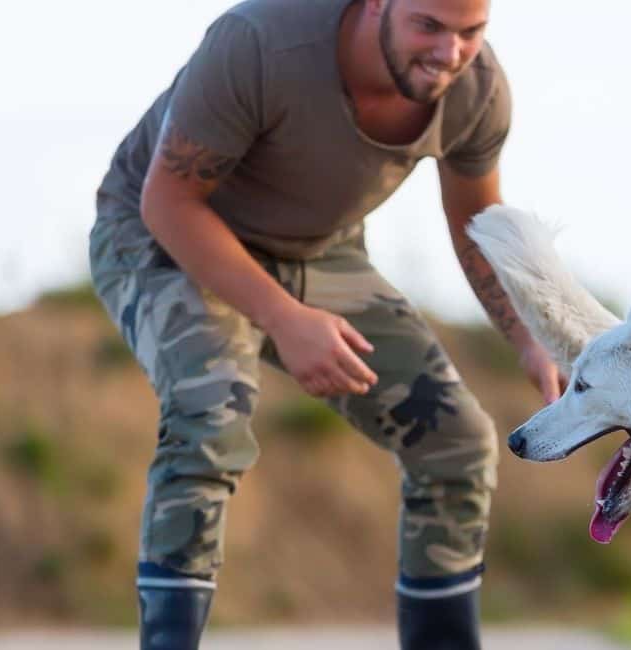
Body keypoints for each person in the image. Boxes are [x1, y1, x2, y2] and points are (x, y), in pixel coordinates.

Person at [88, 0, 561, 647]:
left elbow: (478, 227)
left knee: (459, 442)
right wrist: (284, 318)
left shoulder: (476, 91)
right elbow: (167, 201)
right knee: (211, 413)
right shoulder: (259, 44)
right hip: (164, 238)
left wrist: (532, 335)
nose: (450, 53)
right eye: (429, 25)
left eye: (470, 32)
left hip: (317, 250)